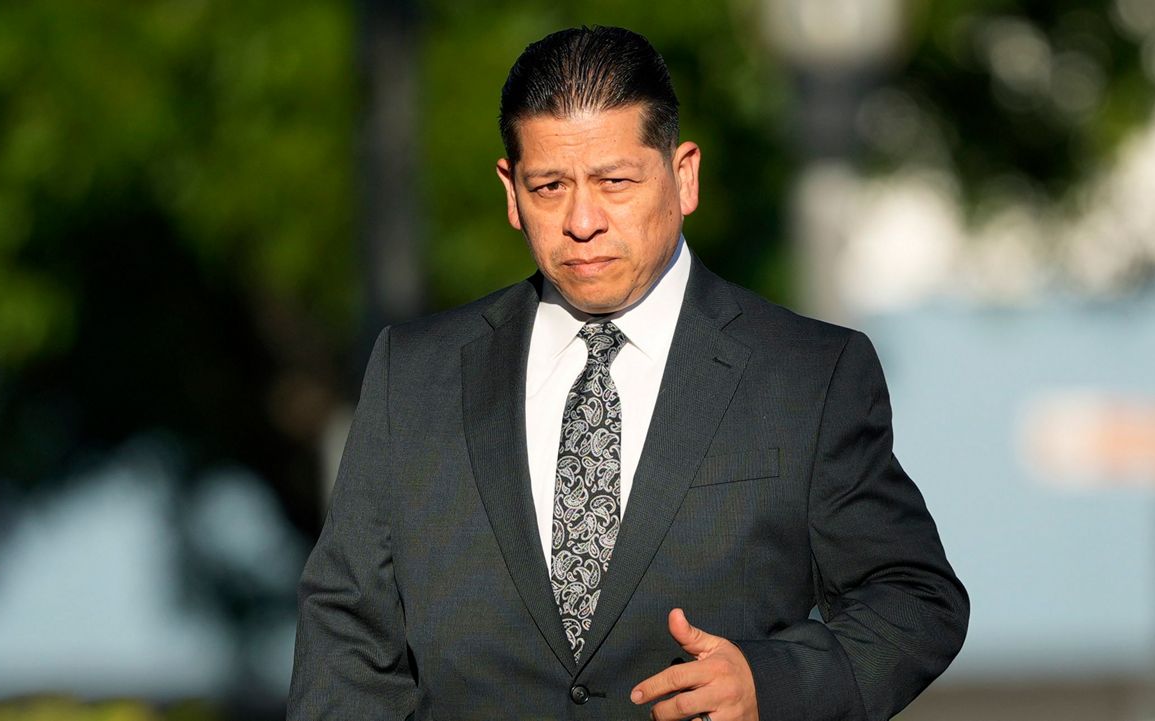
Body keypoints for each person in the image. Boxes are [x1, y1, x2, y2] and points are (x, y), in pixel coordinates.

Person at [288, 25, 967, 721]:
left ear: (683, 175)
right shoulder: (416, 377)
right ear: (511, 191)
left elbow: (914, 598)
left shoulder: (805, 377)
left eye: (614, 181)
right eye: (550, 186)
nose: (583, 220)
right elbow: (348, 637)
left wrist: (774, 682)